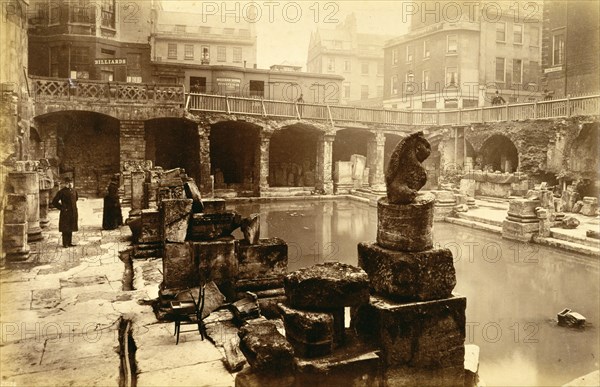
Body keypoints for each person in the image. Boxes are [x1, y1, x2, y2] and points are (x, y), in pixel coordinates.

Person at [52, 177, 78, 247]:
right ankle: (65, 243)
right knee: (65, 228)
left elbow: (76, 199)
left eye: (71, 182)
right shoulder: (61, 192)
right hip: (65, 213)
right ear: (65, 183)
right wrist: (62, 208)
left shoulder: (74, 191)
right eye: (68, 183)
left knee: (71, 227)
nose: (70, 184)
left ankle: (69, 242)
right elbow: (54, 202)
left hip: (73, 212)